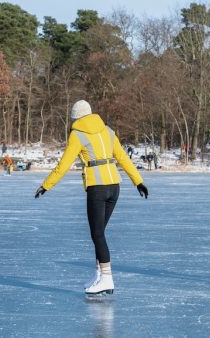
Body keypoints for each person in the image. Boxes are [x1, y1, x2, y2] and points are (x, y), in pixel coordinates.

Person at [34, 100, 149, 295]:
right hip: (114, 186)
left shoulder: (77, 135)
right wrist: (138, 181)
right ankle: (99, 275)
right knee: (100, 233)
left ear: (75, 117)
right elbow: (123, 158)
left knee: (97, 235)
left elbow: (64, 165)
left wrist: (46, 185)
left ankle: (107, 278)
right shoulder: (108, 131)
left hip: (98, 187)